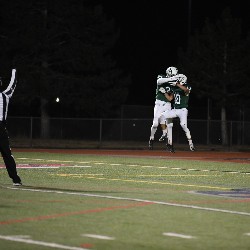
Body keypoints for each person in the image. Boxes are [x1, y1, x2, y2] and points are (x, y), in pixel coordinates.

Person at [148, 66, 183, 150]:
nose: (174, 76)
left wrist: (165, 93)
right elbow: (159, 81)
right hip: (159, 104)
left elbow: (170, 99)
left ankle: (169, 144)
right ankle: (151, 139)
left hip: (167, 105)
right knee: (155, 124)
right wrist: (171, 79)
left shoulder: (174, 85)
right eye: (173, 75)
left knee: (169, 125)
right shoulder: (162, 77)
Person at [159, 75, 195, 153]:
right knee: (162, 116)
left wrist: (177, 84)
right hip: (175, 110)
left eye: (178, 79)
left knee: (183, 125)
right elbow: (170, 99)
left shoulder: (186, 86)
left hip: (183, 110)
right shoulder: (175, 88)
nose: (177, 80)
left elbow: (186, 90)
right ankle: (165, 134)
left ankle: (191, 144)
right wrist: (165, 92)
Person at [0, 68, 22, 186]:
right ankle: (16, 179)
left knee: (8, 155)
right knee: (7, 155)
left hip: (1, 128)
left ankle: (16, 179)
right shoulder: (6, 95)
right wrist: (14, 71)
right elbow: (13, 83)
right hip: (1, 129)